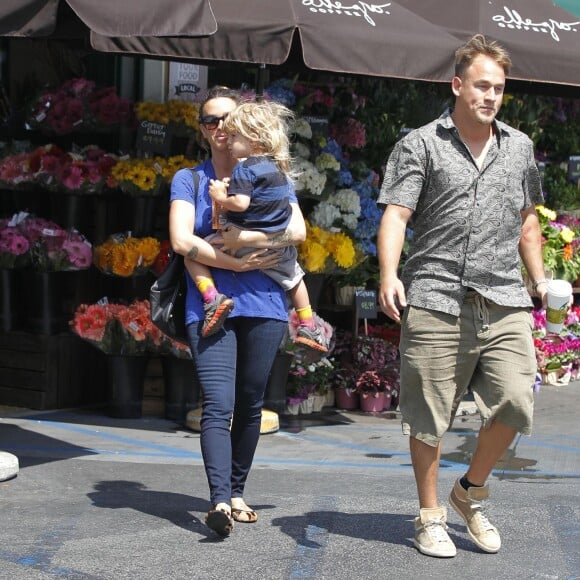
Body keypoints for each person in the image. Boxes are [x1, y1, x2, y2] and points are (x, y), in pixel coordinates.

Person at [376, 34, 567, 558]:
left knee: (515, 401)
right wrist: (389, 273)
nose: (490, 96)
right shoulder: (420, 144)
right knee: (429, 414)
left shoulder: (520, 147)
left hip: (504, 295)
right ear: (457, 85)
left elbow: (528, 221)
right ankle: (430, 514)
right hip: (437, 294)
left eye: (499, 89)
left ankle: (470, 492)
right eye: (481, 86)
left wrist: (540, 282)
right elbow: (396, 213)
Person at [169, 86, 307, 537]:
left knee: (250, 404)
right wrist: (233, 260)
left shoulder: (270, 173)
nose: (221, 127)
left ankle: (238, 490)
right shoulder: (189, 179)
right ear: (203, 131)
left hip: (264, 302)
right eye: (211, 121)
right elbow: (180, 241)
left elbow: (298, 230)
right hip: (209, 303)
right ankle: (219, 501)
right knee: (217, 404)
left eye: (229, 118)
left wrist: (250, 244)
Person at [186, 99, 327, 352]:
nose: (228, 141)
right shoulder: (279, 170)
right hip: (277, 248)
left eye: (234, 136)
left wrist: (220, 196)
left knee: (193, 255)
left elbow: (240, 203)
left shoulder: (244, 168)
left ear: (252, 138)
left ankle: (211, 298)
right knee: (294, 278)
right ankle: (308, 324)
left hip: (240, 244)